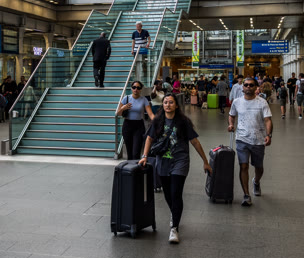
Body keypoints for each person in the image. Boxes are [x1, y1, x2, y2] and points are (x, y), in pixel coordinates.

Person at [139, 94, 211, 244]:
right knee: (168, 194)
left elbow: (195, 142)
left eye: (171, 102)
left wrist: (205, 161)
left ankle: (174, 228)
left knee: (176, 193)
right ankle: (175, 213)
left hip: (180, 161)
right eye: (165, 102)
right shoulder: (157, 121)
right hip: (163, 162)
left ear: (176, 105)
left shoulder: (183, 122)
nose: (168, 105)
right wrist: (145, 156)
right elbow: (149, 139)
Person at [228, 77, 273, 207]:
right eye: (246, 85)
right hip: (241, 138)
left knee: (259, 167)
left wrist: (268, 135)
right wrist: (231, 124)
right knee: (243, 166)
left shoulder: (262, 102)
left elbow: (268, 120)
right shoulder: (237, 102)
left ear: (256, 87)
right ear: (242, 87)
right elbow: (231, 115)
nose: (248, 87)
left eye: (251, 85)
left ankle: (256, 181)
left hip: (258, 139)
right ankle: (246, 195)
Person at [117, 80, 155, 163]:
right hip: (127, 125)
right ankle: (130, 169)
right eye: (134, 87)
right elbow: (118, 113)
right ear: (131, 88)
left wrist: (158, 121)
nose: (136, 89)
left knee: (136, 152)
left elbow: (150, 114)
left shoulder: (144, 100)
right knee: (129, 152)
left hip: (139, 126)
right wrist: (123, 108)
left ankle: (136, 168)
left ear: (141, 89)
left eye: (138, 88)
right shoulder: (126, 98)